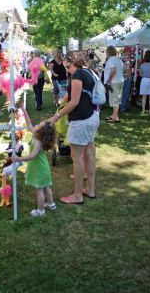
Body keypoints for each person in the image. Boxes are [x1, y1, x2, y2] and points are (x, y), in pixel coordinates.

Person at [49, 55, 100, 204]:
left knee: (77, 158)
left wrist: (56, 116)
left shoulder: (78, 74)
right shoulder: (89, 72)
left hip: (81, 119)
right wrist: (65, 99)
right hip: (92, 116)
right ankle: (90, 190)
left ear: (73, 63)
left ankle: (77, 195)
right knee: (89, 154)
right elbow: (77, 95)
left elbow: (75, 101)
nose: (67, 70)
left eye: (67, 66)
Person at [12, 103, 56, 217]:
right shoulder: (36, 135)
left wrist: (18, 158)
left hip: (40, 168)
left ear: (41, 131)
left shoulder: (37, 141)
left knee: (39, 190)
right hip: (42, 167)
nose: (36, 124)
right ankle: (51, 204)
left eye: (39, 125)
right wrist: (24, 109)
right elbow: (29, 123)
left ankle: (40, 211)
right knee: (46, 186)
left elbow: (32, 156)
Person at [103, 46, 124, 122]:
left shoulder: (111, 60)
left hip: (114, 81)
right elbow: (123, 68)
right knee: (117, 99)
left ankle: (115, 117)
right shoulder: (119, 59)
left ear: (108, 52)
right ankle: (114, 116)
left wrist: (109, 80)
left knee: (114, 99)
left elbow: (113, 70)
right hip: (120, 80)